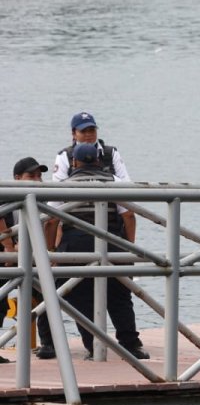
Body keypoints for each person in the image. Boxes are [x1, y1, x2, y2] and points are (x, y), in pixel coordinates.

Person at [48, 142, 148, 360]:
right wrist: (128, 248)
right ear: (98, 161)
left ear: (74, 162)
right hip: (110, 240)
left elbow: (51, 220)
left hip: (76, 244)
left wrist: (50, 251)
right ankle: (131, 345)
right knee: (119, 295)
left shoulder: (64, 185)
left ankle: (93, 345)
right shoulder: (115, 182)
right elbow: (129, 215)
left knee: (79, 296)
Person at [1, 157, 51, 364]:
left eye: (39, 176)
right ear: (17, 178)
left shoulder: (43, 199)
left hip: (33, 255)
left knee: (48, 295)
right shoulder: (6, 195)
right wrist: (10, 247)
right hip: (5, 257)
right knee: (1, 302)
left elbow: (52, 222)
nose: (37, 181)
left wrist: (50, 251)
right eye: (31, 176)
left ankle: (49, 343)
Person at [53, 112, 131, 182]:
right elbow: (58, 187)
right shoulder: (64, 155)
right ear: (73, 133)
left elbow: (125, 182)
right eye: (83, 131)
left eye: (91, 130)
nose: (88, 134)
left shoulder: (111, 153)